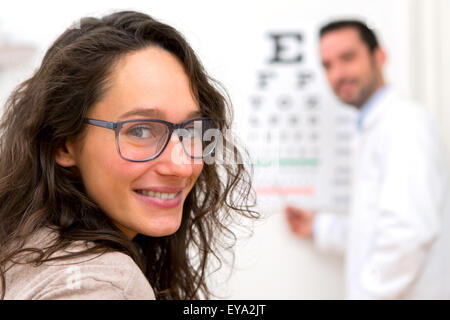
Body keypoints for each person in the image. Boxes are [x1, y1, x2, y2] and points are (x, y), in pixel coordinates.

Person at [0, 11, 257, 300]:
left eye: (191, 131)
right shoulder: (103, 285)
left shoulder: (24, 244)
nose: (182, 165)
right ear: (63, 143)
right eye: (141, 131)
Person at [285, 20, 450, 299]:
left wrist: (368, 294)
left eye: (348, 58)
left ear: (380, 56)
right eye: (328, 65)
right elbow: (372, 228)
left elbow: (409, 233)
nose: (338, 74)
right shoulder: (372, 128)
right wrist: (318, 226)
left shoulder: (404, 125)